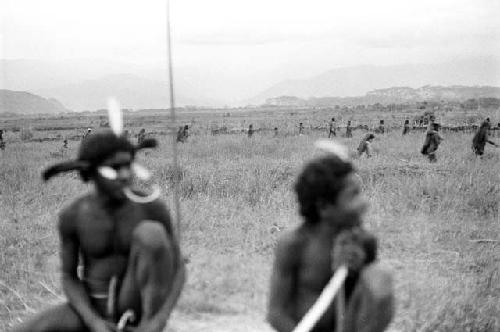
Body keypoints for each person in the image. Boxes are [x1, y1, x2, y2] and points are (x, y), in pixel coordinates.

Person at [13, 130, 186, 332]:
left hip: (134, 311)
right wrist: (93, 322)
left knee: (151, 234)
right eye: (114, 168)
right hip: (91, 310)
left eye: (128, 165)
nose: (125, 175)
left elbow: (179, 268)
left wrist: (158, 321)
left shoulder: (150, 207)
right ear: (91, 172)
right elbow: (69, 276)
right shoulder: (73, 215)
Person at [267, 152, 394, 332]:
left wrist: (355, 272)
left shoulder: (363, 241)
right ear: (324, 207)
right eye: (353, 196)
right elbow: (276, 313)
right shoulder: (293, 245)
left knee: (381, 275)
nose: (364, 203)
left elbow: (366, 305)